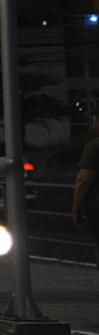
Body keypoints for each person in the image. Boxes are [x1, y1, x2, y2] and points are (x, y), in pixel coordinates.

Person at [73, 108, 99, 267]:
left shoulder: (94, 146)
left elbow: (84, 180)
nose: (93, 125)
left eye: (95, 120)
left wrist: (76, 209)